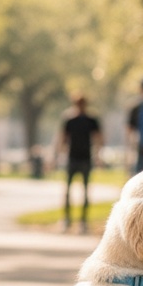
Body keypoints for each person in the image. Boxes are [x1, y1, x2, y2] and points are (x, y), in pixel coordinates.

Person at [56, 94, 103, 232]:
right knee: (69, 191)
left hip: (84, 158)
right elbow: (63, 138)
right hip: (74, 158)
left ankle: (82, 221)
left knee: (84, 191)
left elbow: (98, 138)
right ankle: (68, 220)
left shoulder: (90, 120)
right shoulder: (70, 119)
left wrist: (97, 155)